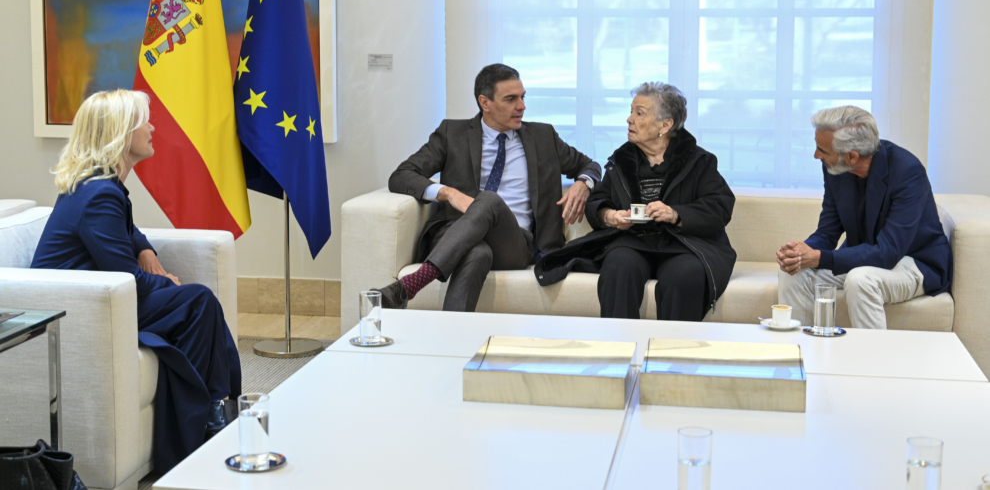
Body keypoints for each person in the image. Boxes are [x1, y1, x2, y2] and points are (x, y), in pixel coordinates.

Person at [31, 89, 241, 474]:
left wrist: (145, 248)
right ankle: (210, 416)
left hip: (102, 299)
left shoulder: (97, 184)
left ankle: (208, 417)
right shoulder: (100, 194)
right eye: (144, 121)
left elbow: (122, 234)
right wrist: (169, 285)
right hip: (84, 311)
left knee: (197, 305)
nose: (152, 127)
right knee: (197, 301)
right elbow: (127, 278)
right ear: (121, 132)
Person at [378, 64, 602, 311]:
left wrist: (584, 183)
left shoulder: (543, 136)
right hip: (458, 234)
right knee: (477, 253)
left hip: (515, 243)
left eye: (522, 97)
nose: (522, 106)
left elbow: (590, 165)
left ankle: (411, 284)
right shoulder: (453, 134)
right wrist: (447, 192)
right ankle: (452, 339)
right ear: (485, 102)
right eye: (511, 99)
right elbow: (401, 175)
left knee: (489, 200)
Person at [535, 82, 736, 321]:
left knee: (685, 275)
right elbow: (598, 198)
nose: (629, 119)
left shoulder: (699, 161)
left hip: (683, 245)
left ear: (665, 125)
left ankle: (672, 351)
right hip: (632, 241)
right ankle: (619, 349)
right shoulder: (622, 160)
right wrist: (608, 216)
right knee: (619, 266)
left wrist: (675, 214)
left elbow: (720, 206)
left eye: (639, 113)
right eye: (631, 111)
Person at [776, 106, 951, 329]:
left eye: (822, 150)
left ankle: (872, 362)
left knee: (860, 280)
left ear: (851, 156)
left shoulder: (907, 171)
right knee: (794, 273)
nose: (816, 155)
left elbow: (888, 252)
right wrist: (801, 253)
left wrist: (819, 257)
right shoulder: (835, 169)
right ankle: (801, 355)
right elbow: (828, 231)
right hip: (866, 258)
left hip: (915, 262)